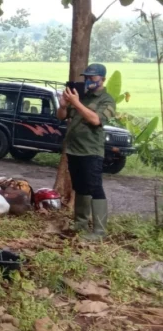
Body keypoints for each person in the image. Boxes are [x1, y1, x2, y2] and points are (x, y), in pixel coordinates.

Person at [57, 63, 116, 241]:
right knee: (80, 187)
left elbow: (95, 119)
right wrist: (63, 105)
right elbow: (61, 116)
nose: (89, 80)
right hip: (74, 150)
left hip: (91, 151)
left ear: (102, 79)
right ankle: (80, 224)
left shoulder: (106, 99)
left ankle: (99, 231)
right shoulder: (80, 96)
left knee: (94, 187)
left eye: (93, 77)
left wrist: (75, 102)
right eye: (87, 77)